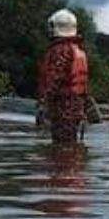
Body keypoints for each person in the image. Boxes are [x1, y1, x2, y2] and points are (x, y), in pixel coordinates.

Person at [37, 9, 90, 145]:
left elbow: (55, 77)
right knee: (70, 144)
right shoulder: (77, 49)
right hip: (75, 106)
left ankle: (64, 165)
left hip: (63, 107)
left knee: (62, 146)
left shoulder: (60, 49)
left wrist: (44, 103)